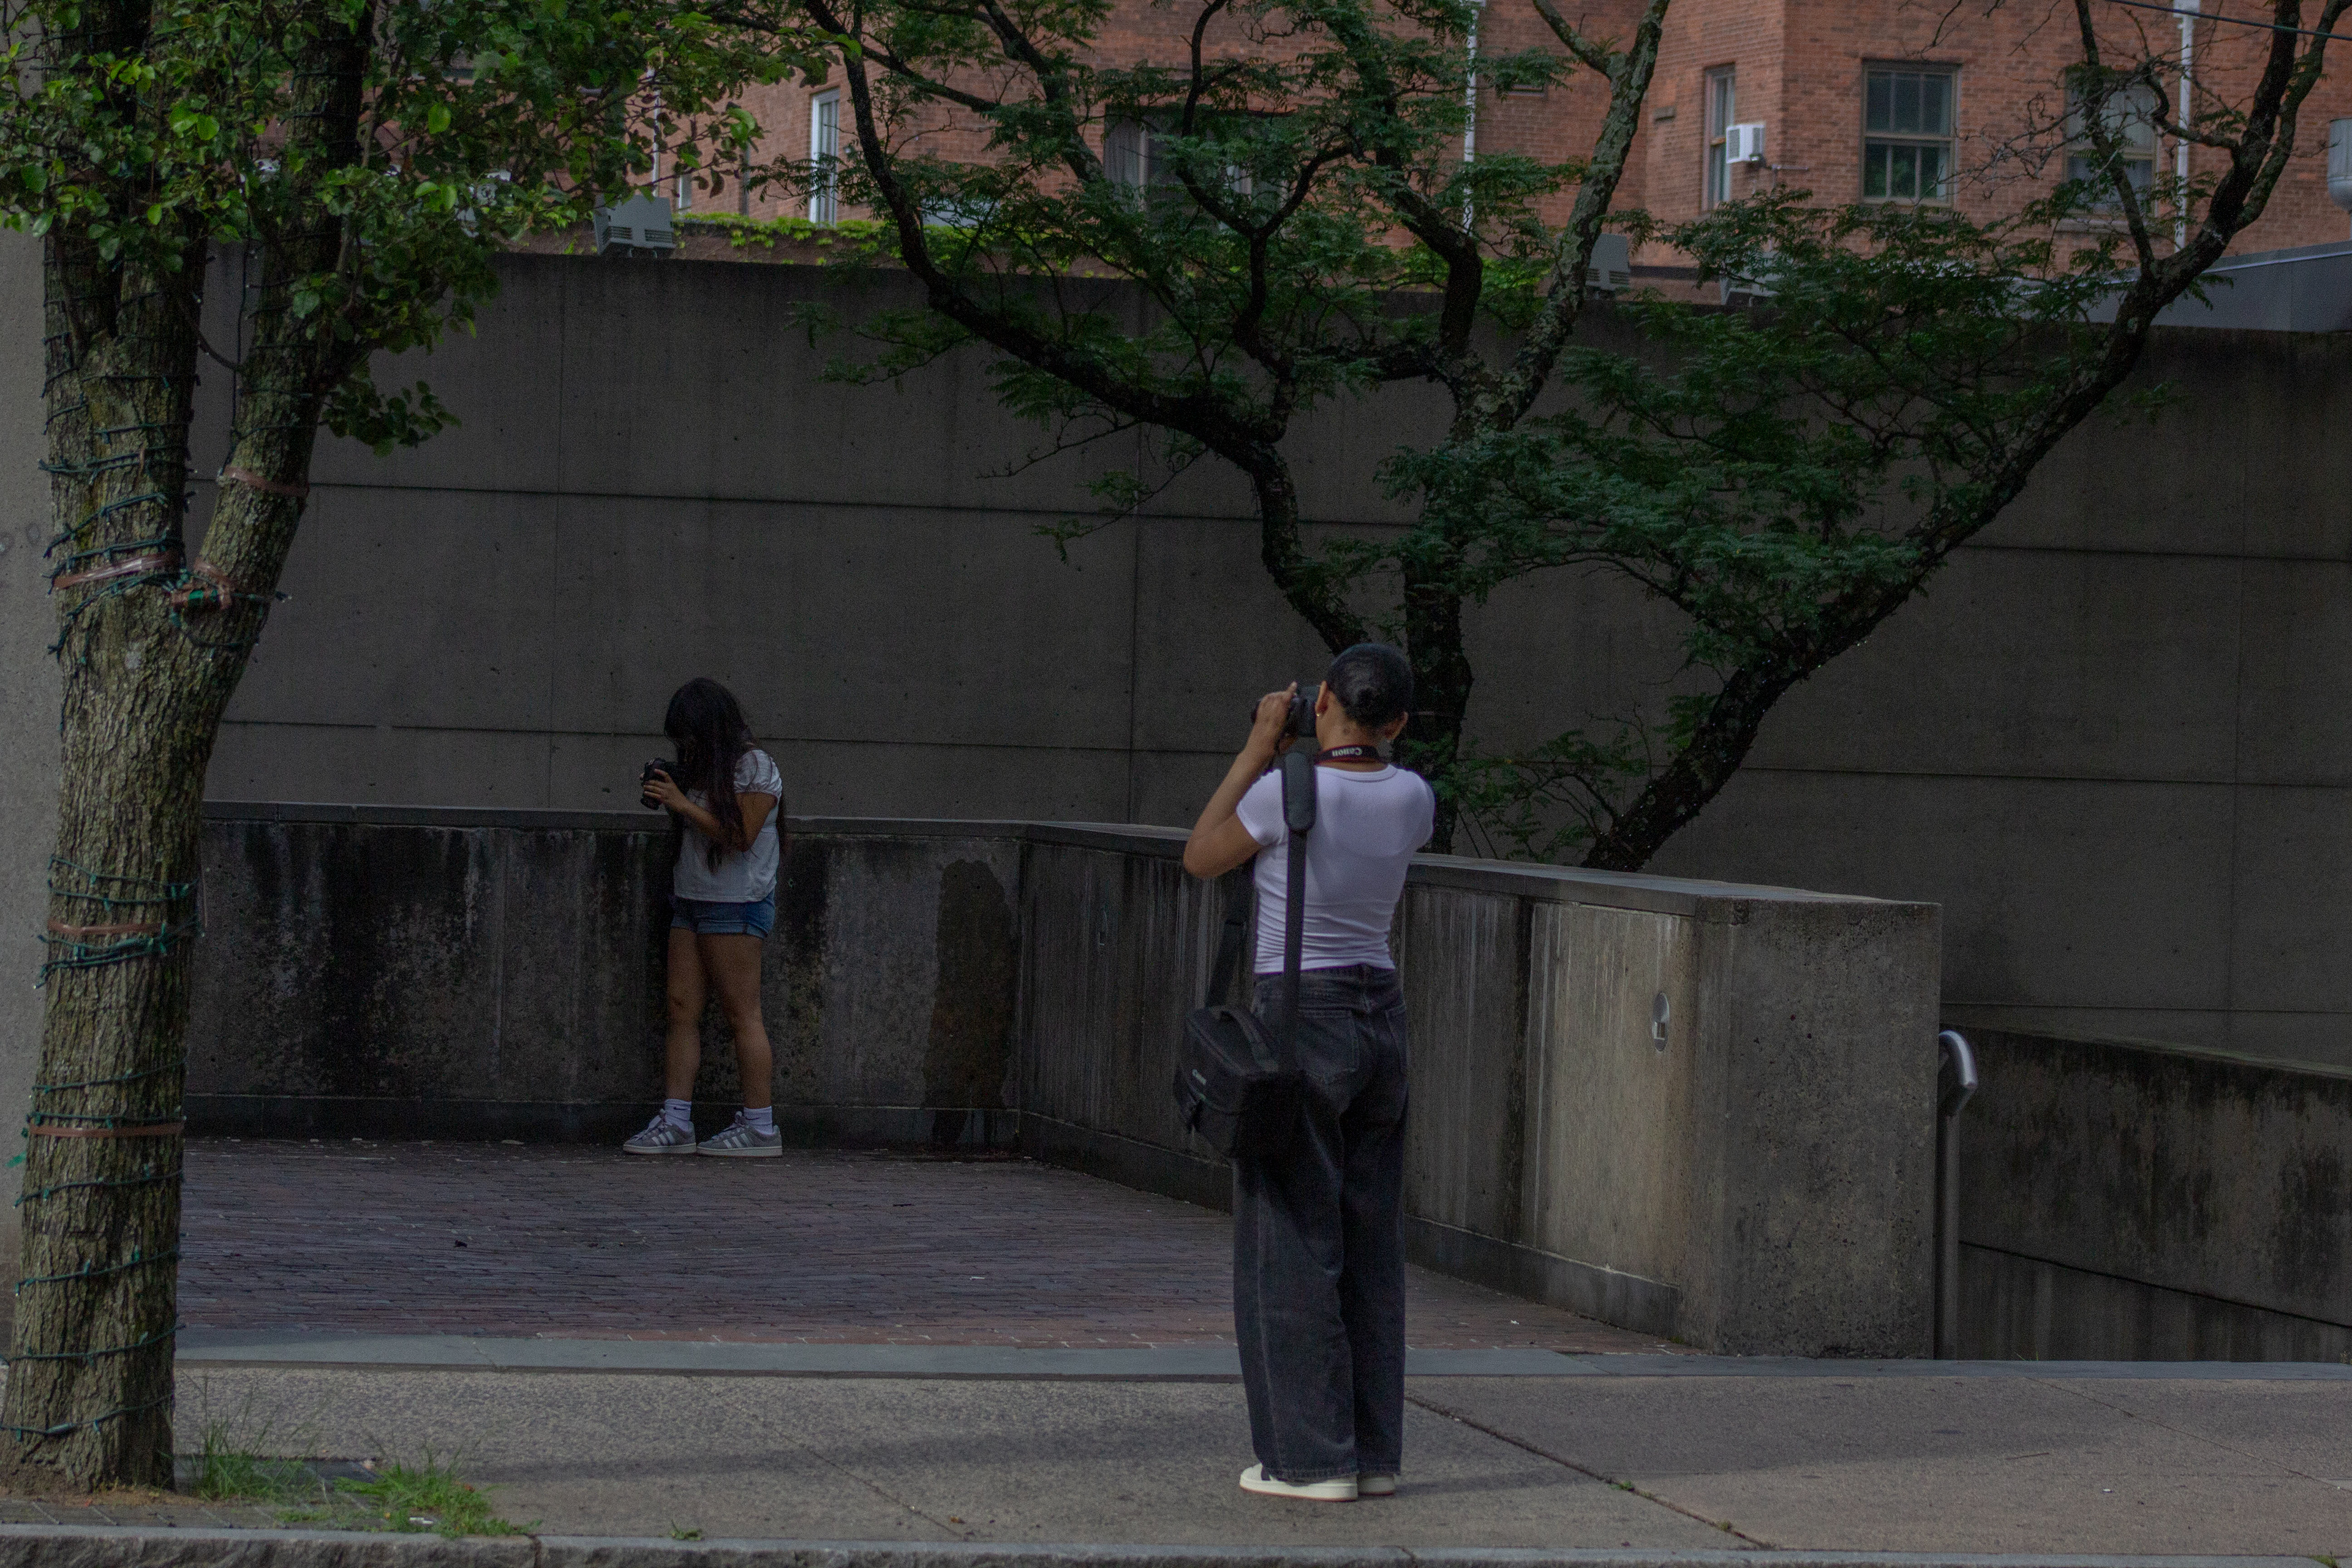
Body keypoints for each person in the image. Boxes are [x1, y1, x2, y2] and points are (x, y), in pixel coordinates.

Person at [1180, 643, 1434, 1503]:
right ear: (1398, 723)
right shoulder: (1414, 797)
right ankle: (1372, 1453)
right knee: (1369, 1241)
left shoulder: (1284, 791)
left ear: (1320, 701)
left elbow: (1201, 854)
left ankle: (1308, 1459)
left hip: (1303, 1015)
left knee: (1290, 1238)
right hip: (1382, 1018)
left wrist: (1258, 745)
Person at [624, 677, 788, 1158]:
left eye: (691, 735)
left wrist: (681, 803)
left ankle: (761, 1128)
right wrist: (672, 790)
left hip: (736, 902)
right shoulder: (699, 770)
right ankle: (676, 1120)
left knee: (743, 1013)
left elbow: (742, 836)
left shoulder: (755, 766)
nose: (686, 745)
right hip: (690, 898)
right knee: (681, 1010)